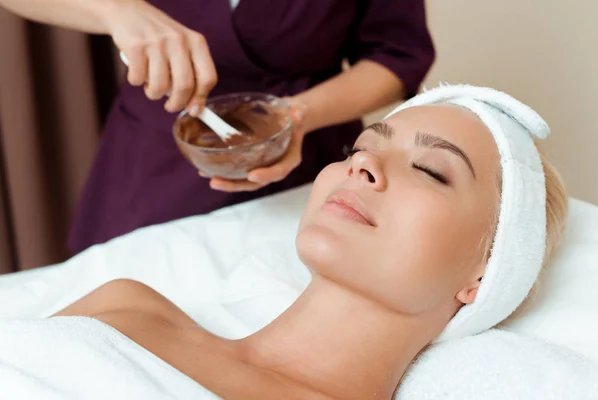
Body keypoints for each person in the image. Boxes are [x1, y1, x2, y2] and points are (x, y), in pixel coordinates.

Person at [39, 86, 567, 399]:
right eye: (358, 147)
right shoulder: (125, 306)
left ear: (485, 271)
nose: (363, 163)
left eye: (431, 170)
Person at [0, 0, 435, 254]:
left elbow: (398, 56)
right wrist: (117, 9)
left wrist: (296, 118)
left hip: (303, 156)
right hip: (148, 163)